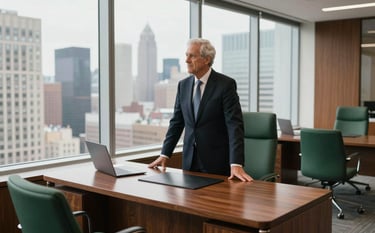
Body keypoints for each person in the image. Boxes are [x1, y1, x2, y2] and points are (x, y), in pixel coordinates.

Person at [148, 38, 253, 182]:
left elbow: (234, 126)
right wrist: (165, 154)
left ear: (206, 59)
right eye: (186, 55)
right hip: (189, 161)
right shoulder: (183, 85)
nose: (186, 60)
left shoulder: (225, 85)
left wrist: (236, 163)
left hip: (216, 163)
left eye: (192, 56)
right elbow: (177, 123)